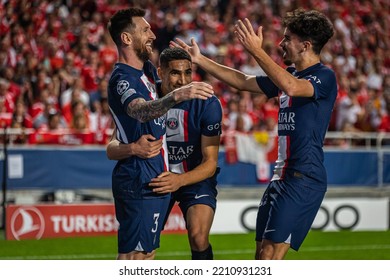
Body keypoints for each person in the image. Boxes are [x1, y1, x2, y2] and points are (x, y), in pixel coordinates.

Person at [172, 8, 337, 260]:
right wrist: (201, 59)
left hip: (304, 177)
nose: (281, 43)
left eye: (287, 38)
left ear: (305, 45)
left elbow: (292, 88)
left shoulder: (324, 76)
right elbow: (242, 81)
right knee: (261, 255)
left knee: (270, 255)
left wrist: (256, 51)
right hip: (281, 176)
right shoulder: (289, 74)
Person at [106, 8, 214, 260]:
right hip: (138, 176)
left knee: (147, 253)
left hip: (153, 174)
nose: (152, 34)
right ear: (127, 38)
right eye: (145, 30)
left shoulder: (147, 71)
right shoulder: (122, 79)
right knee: (134, 257)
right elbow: (140, 111)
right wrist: (176, 95)